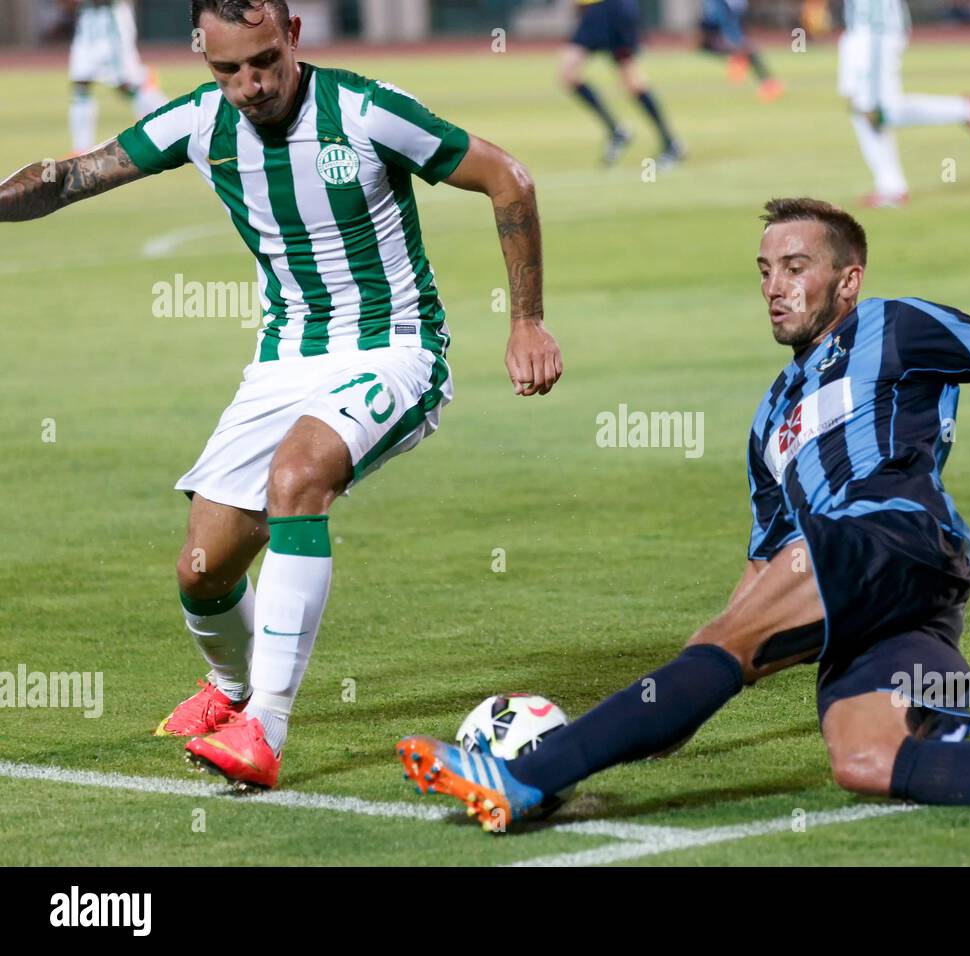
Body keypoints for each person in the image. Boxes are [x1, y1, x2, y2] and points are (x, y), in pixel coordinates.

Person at [395, 198, 970, 832]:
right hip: (889, 595)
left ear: (846, 279)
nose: (774, 287)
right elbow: (762, 570)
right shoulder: (767, 422)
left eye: (795, 267)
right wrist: (682, 688)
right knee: (868, 759)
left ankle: (532, 772)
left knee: (730, 646)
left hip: (893, 536)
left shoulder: (895, 326)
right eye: (763, 270)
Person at [0, 0, 563, 790]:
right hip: (281, 362)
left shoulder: (366, 111)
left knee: (297, 480)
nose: (251, 85)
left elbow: (508, 178)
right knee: (202, 569)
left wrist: (527, 322)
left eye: (264, 61)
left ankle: (264, 727)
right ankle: (230, 691)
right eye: (227, 69)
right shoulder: (199, 122)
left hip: (394, 350)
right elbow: (68, 177)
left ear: (293, 34)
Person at [839, 0, 970, 207]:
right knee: (865, 110)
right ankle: (890, 186)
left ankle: (964, 109)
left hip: (875, 34)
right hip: (861, 32)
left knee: (876, 111)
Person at [561, 0, 686, 167]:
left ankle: (670, 143)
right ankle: (619, 132)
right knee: (570, 74)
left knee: (633, 81)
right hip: (597, 10)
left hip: (613, 9)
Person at [65, 0, 167, 154]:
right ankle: (81, 149)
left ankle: (170, 117)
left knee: (125, 85)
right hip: (88, 19)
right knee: (81, 83)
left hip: (111, 19)